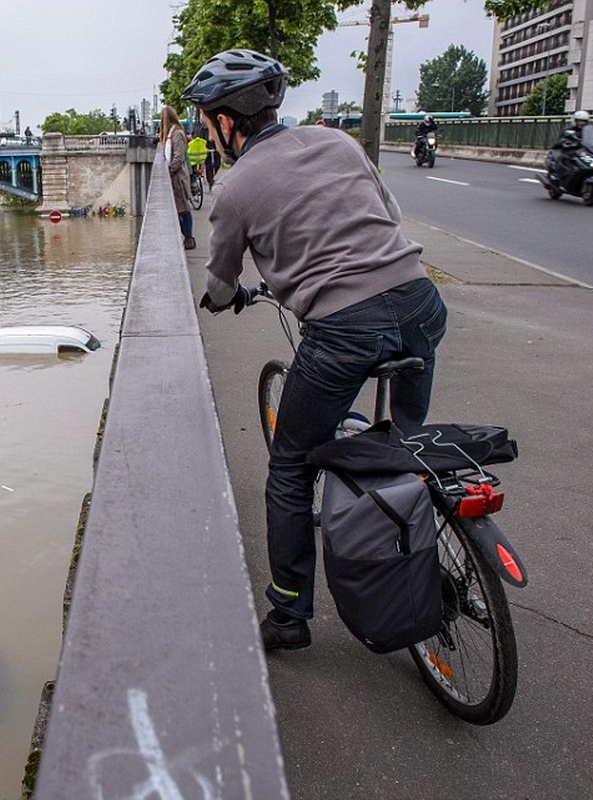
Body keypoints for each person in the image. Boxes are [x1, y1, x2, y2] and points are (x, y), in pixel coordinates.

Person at [182, 49, 448, 651]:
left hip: (345, 332)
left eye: (206, 120)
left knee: (291, 465)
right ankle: (420, 536)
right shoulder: (339, 143)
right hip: (419, 302)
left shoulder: (235, 185)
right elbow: (391, 217)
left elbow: (220, 285)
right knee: (405, 445)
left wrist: (225, 300)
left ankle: (289, 614)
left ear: (227, 122)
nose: (205, 131)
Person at [160, 105, 195, 250]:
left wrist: (168, 171)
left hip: (178, 178)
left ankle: (189, 238)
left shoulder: (177, 134)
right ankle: (186, 237)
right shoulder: (173, 133)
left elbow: (178, 158)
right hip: (175, 177)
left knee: (183, 208)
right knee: (180, 209)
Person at [548, 110, 590, 177]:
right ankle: (557, 175)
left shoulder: (588, 132)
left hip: (583, 152)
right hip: (570, 151)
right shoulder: (568, 130)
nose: (582, 123)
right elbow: (560, 140)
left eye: (584, 121)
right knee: (560, 157)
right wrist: (566, 142)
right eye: (579, 121)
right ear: (575, 121)